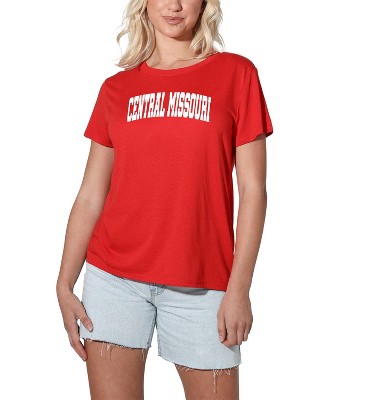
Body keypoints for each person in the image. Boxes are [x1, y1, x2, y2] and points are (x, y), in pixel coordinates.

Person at [56, 0, 274, 398]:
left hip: (204, 284)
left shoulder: (236, 74)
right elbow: (90, 195)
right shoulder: (116, 89)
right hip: (113, 282)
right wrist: (64, 283)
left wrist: (240, 288)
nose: (174, 5)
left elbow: (253, 191)